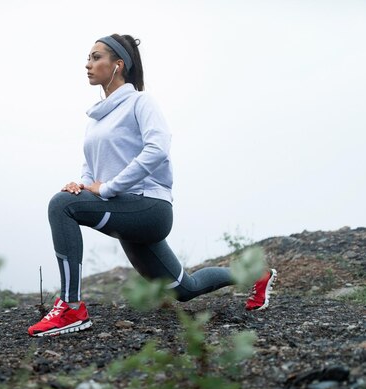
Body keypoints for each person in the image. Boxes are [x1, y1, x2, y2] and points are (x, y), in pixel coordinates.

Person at [28, 34, 277, 337]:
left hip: (149, 209)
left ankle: (71, 308)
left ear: (118, 64)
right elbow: (92, 171)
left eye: (96, 57)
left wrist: (107, 189)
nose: (87, 65)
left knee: (61, 205)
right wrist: (81, 186)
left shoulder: (140, 103)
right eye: (89, 58)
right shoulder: (95, 119)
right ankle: (255, 275)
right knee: (184, 289)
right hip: (124, 210)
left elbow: (157, 148)